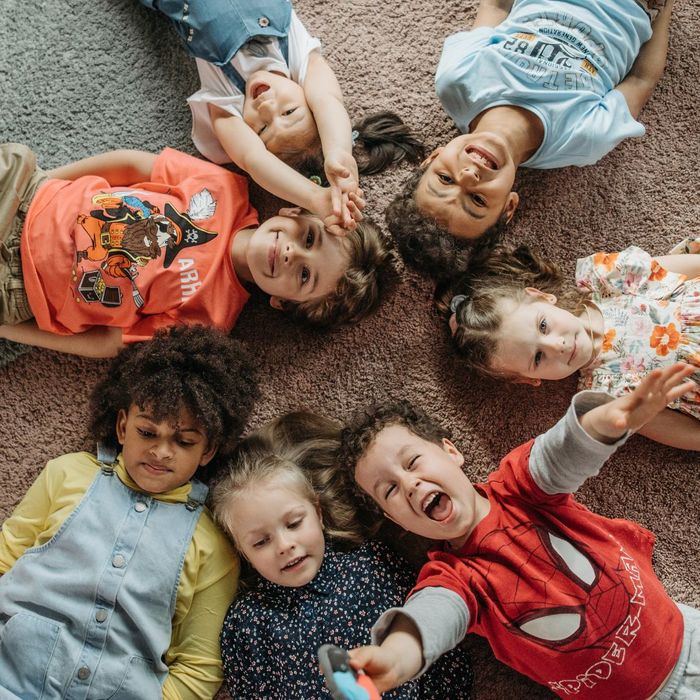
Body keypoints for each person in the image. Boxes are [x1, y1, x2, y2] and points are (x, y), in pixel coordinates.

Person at [337, 364, 699, 699]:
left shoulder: (520, 485)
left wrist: (607, 421)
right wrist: (396, 658)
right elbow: (432, 617)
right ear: (397, 520)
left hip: (686, 634)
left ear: (450, 451)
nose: (410, 484)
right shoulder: (453, 579)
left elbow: (560, 453)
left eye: (412, 461)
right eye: (390, 490)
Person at [0, 324, 259, 699]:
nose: (161, 451)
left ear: (208, 451)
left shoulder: (213, 544)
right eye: (148, 433)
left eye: (184, 441)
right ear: (122, 427)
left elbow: (200, 668)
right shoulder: (68, 473)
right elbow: (6, 555)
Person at [0, 143, 393, 360]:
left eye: (305, 277)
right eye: (308, 238)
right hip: (31, 198)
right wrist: (43, 183)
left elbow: (107, 342)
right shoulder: (225, 188)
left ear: (282, 303)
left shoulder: (211, 321)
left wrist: (9, 330)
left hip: (17, 287)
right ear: (292, 210)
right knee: (13, 156)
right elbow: (132, 164)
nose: (293, 255)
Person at [385, 0, 674, 277]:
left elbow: (496, 6)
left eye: (445, 180)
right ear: (508, 207)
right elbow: (641, 80)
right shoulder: (582, 139)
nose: (470, 174)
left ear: (432, 158)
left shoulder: (457, 81)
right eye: (476, 199)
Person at [209, 411, 474, 699]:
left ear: (318, 513)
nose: (284, 545)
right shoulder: (246, 622)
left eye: (294, 524)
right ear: (242, 552)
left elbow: (437, 649)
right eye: (261, 542)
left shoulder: (373, 563)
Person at [139, 0, 423, 231]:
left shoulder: (226, 95)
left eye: (262, 129)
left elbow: (254, 160)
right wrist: (340, 154)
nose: (266, 107)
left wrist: (314, 197)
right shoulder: (298, 60)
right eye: (289, 111)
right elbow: (328, 99)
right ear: (306, 96)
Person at [442, 241, 700, 451]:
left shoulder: (609, 279)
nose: (559, 345)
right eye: (539, 357)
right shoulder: (605, 398)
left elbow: (686, 271)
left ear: (541, 296)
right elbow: (687, 433)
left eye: (543, 326)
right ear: (529, 379)